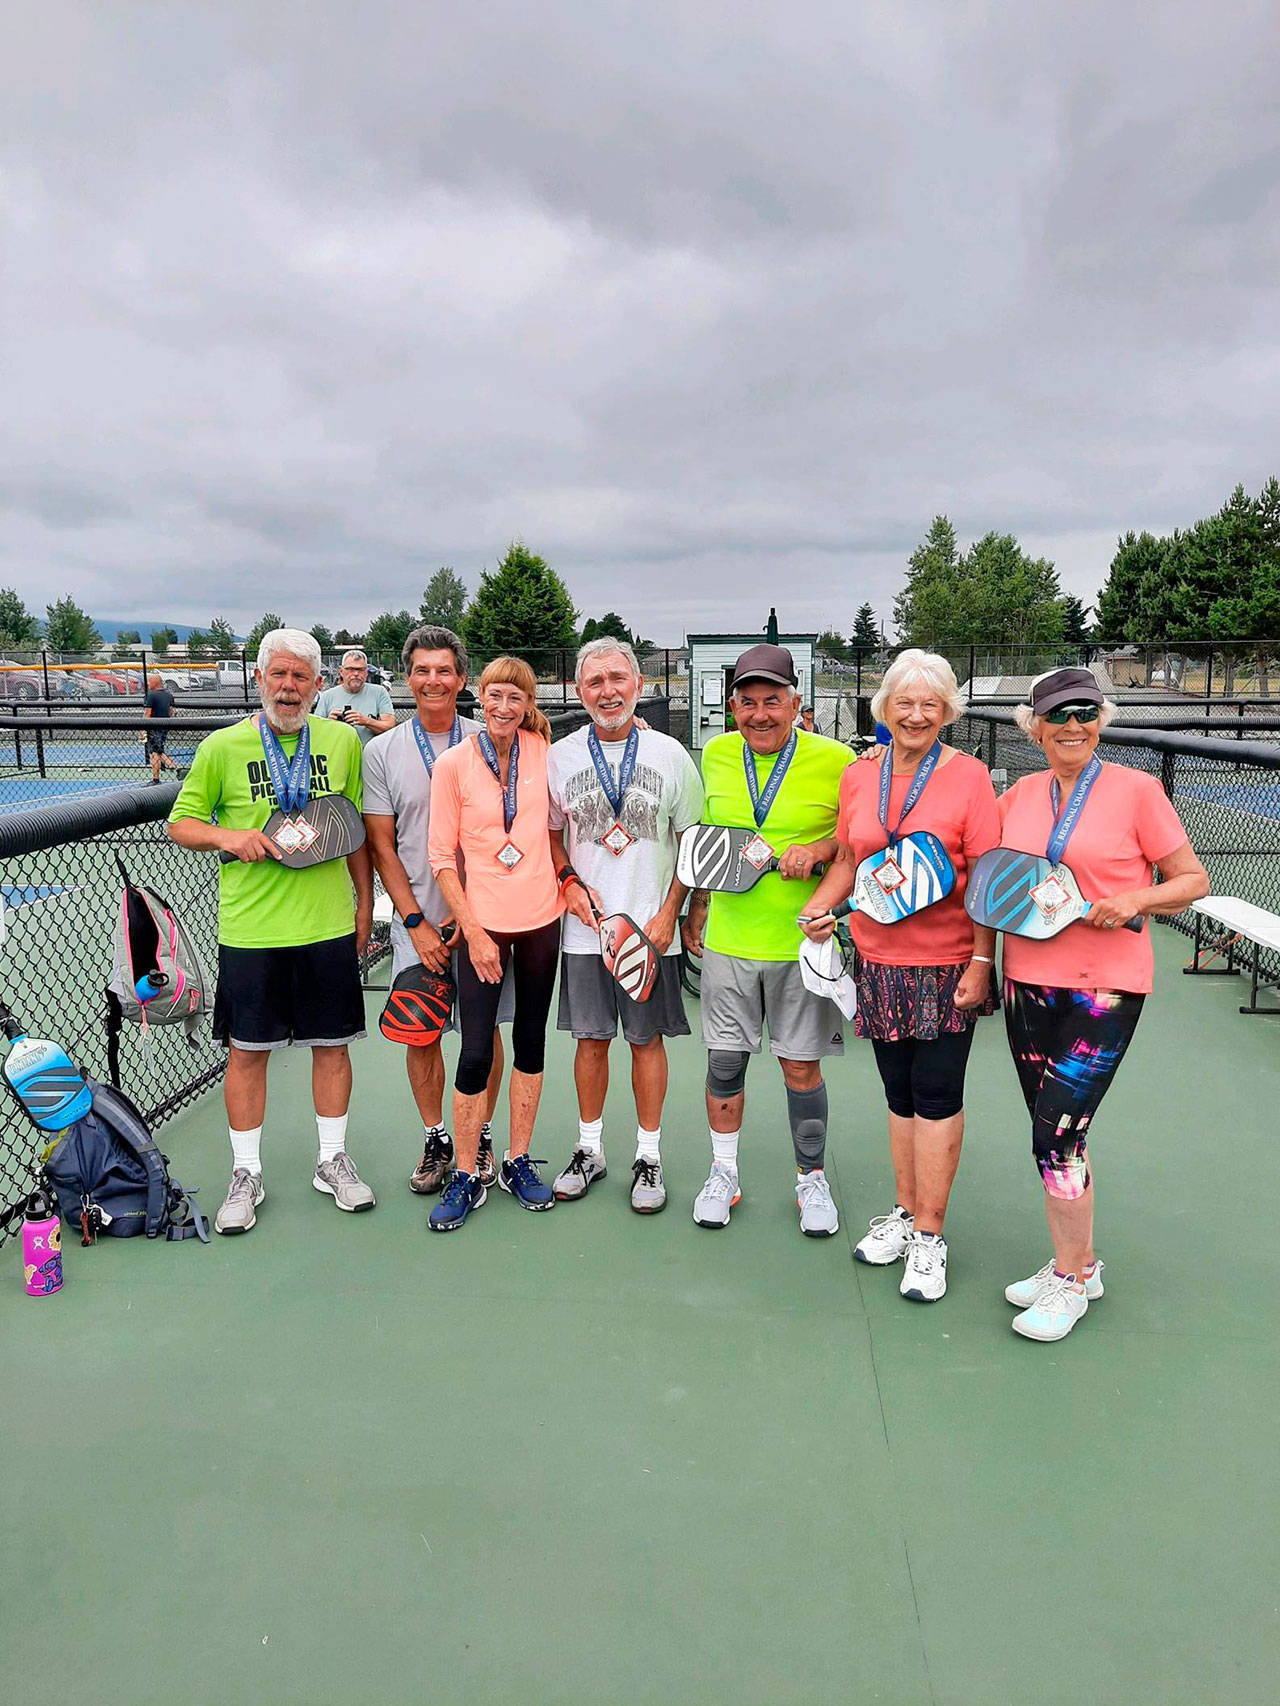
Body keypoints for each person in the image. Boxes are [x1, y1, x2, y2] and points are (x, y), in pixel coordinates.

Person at [996, 666, 1208, 1341]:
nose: (1073, 726)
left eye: (1086, 713)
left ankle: (1068, 1281)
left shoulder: (1137, 790)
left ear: (1101, 721)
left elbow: (1192, 878)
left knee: (1056, 1132)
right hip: (1027, 977)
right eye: (1058, 715)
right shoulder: (1019, 794)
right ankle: (1080, 1266)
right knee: (1055, 1129)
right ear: (1034, 726)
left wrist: (1135, 899)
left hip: (1105, 984)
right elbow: (996, 874)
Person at [801, 649, 1000, 1303]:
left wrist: (981, 961)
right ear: (884, 708)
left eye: (931, 704)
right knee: (899, 1094)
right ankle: (908, 1214)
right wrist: (821, 906)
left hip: (947, 965)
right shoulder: (861, 777)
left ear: (947, 713)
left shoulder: (969, 778)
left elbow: (988, 881)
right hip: (877, 961)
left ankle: (931, 1239)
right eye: (905, 703)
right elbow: (852, 860)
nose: (916, 715)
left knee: (938, 1094)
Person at [168, 628, 374, 1235]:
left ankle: (332, 1160)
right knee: (248, 1053)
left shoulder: (341, 741)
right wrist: (228, 836)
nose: (289, 688)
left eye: (301, 677)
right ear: (260, 680)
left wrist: (365, 906)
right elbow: (182, 824)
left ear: (318, 684)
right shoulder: (221, 747)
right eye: (278, 676)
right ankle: (246, 1172)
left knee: (332, 1045)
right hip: (251, 930)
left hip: (326, 924)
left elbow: (353, 826)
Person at [682, 643, 855, 1236]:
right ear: (732, 706)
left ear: (796, 702)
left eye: (773, 701)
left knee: (800, 1070)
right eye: (748, 702)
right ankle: (723, 1174)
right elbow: (705, 837)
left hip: (802, 946)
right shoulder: (715, 753)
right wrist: (696, 906)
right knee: (725, 1065)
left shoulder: (838, 760)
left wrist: (819, 849)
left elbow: (854, 844)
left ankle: (811, 1180)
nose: (760, 714)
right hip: (730, 943)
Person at [546, 638, 704, 1213]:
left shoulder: (670, 754)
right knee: (589, 1041)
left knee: (645, 1040)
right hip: (586, 932)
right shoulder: (560, 757)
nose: (607, 691)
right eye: (594, 683)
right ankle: (590, 1149)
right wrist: (567, 884)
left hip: (649, 931)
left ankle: (648, 1155)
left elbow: (692, 841)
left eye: (617, 678)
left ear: (637, 684)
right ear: (580, 691)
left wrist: (671, 914)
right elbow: (550, 836)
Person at [362, 625, 514, 1200]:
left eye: (444, 670)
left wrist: (471, 918)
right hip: (418, 924)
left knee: (486, 1031)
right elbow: (382, 845)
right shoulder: (382, 752)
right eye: (422, 671)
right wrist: (416, 924)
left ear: (462, 678)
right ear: (408, 679)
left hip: (484, 920)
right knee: (421, 1035)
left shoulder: (495, 738)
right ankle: (438, 1139)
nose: (433, 680)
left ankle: (481, 1137)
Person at [426, 657, 572, 1231]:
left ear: (528, 703)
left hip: (541, 921)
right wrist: (475, 932)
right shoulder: (453, 765)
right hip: (482, 926)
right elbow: (442, 859)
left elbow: (561, 820)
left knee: (532, 1042)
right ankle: (466, 1172)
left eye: (515, 697)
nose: (503, 707)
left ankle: (516, 1160)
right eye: (494, 695)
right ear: (478, 698)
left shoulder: (545, 753)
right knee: (477, 1051)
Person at [315, 648, 395, 746]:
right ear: (341, 671)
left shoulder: (379, 692)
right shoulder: (327, 696)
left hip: (370, 756)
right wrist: (330, 723)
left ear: (366, 672)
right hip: (338, 755)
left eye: (360, 670)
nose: (356, 674)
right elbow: (316, 733)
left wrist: (365, 721)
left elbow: (390, 726)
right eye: (351, 669)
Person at [143, 671, 181, 783]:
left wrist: (143, 728)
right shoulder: (169, 695)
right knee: (158, 750)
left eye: (150, 682)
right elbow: (173, 711)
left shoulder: (151, 695)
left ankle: (156, 779)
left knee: (155, 753)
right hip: (165, 726)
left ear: (154, 683)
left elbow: (148, 713)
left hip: (153, 726)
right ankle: (177, 768)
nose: (148, 684)